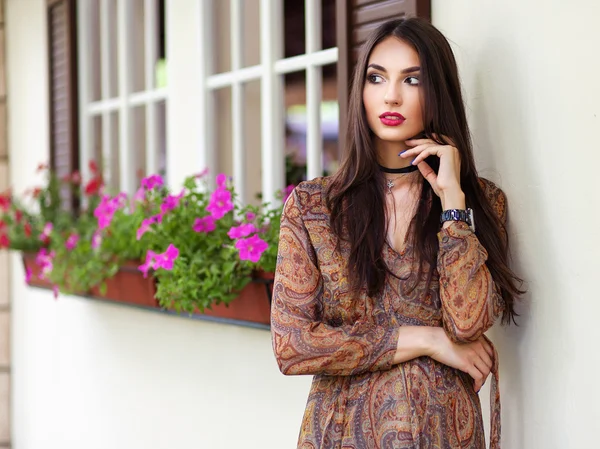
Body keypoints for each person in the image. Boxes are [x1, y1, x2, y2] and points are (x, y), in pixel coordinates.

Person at [271, 17, 523, 449]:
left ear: (437, 90)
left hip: (444, 431)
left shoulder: (479, 202)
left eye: (412, 79)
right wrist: (426, 339)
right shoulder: (315, 208)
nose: (391, 95)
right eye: (376, 77)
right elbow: (293, 346)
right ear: (360, 91)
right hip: (343, 432)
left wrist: (452, 205)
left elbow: (469, 322)